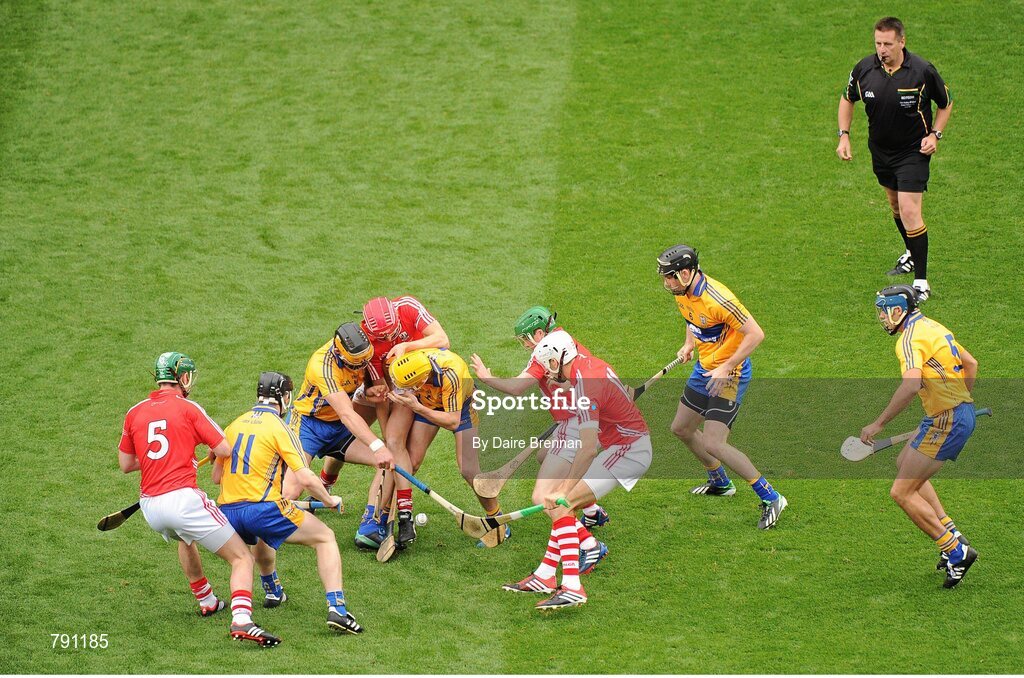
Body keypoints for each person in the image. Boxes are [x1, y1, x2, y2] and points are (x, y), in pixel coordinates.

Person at [117, 352, 280, 647]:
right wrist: (194, 452)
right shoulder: (189, 408)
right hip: (183, 499)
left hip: (150, 506)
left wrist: (172, 456)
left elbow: (127, 463)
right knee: (241, 557)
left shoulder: (134, 412)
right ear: (181, 378)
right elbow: (225, 448)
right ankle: (242, 620)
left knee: (185, 538)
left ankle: (207, 600)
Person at [506, 331, 652, 610]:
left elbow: (587, 449)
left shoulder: (586, 388)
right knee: (561, 505)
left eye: (549, 365)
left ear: (558, 360)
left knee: (563, 502)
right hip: (621, 446)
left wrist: (565, 488)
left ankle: (572, 586)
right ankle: (546, 575)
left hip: (628, 451)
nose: (547, 374)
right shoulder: (587, 367)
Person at [215, 372, 363, 633]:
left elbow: (217, 477)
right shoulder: (282, 428)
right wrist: (328, 500)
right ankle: (338, 611)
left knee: (260, 536)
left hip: (228, 511)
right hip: (263, 508)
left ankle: (273, 590)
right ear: (285, 398)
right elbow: (305, 477)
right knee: (325, 537)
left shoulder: (233, 425)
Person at [658, 245, 787, 529]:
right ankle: (720, 482)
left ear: (686, 272)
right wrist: (690, 343)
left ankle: (771, 497)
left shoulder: (718, 298)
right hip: (705, 368)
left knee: (714, 442)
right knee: (681, 428)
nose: (666, 283)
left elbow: (756, 334)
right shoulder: (684, 291)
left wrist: (726, 367)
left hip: (731, 374)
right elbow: (692, 319)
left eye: (669, 277)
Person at [860, 285, 979, 588]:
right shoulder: (932, 325)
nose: (882, 318)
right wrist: (958, 402)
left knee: (901, 492)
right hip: (947, 416)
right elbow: (971, 363)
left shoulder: (909, 340)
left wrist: (878, 424)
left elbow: (911, 386)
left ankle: (955, 550)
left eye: (883, 312)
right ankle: (951, 530)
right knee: (905, 463)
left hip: (947, 419)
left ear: (898, 311)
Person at [836, 16, 953, 301]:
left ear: (902, 42)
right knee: (896, 207)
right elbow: (847, 98)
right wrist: (844, 134)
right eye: (878, 43)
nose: (882, 49)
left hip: (913, 151)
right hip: (881, 151)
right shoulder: (864, 69)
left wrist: (935, 135)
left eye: (888, 43)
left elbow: (946, 104)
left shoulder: (922, 71)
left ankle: (921, 282)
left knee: (911, 211)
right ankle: (911, 253)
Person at [470, 305, 610, 529]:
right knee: (544, 455)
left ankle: (586, 545)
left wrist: (487, 378)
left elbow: (517, 387)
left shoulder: (545, 353)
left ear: (538, 334)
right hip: (592, 416)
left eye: (526, 338)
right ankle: (592, 511)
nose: (525, 345)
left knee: (544, 496)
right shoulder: (564, 340)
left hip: (580, 421)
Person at [284, 322, 395, 550]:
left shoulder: (362, 353)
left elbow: (368, 385)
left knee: (387, 463)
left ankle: (370, 524)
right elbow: (346, 413)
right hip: (307, 426)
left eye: (365, 361)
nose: (362, 366)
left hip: (339, 429)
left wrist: (369, 389)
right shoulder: (322, 365)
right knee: (290, 493)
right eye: (356, 364)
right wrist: (377, 445)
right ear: (339, 351)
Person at [386, 348, 509, 548]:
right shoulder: (409, 363)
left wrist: (417, 407)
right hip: (429, 404)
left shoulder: (453, 374)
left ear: (421, 380)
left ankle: (497, 520)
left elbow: (452, 421)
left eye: (407, 388)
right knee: (411, 461)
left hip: (463, 410)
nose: (403, 390)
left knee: (469, 470)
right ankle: (396, 517)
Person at [359, 295, 450, 547]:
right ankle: (376, 519)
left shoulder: (407, 307)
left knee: (414, 458)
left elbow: (443, 340)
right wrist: (386, 436)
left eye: (392, 334)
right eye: (383, 337)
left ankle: (396, 515)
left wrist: (407, 347)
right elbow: (380, 393)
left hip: (430, 382)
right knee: (392, 444)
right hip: (397, 388)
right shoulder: (367, 342)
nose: (388, 340)